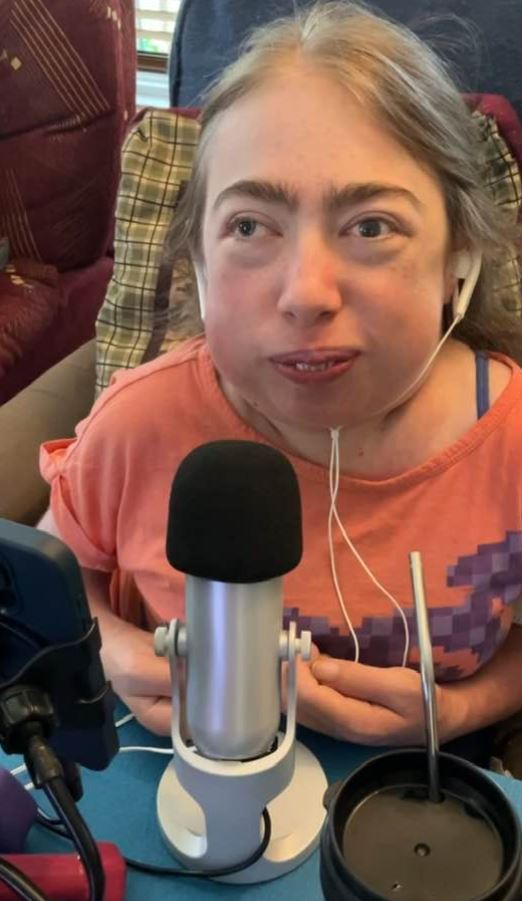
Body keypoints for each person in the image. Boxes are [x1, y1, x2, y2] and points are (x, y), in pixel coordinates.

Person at [39, 2, 522, 755]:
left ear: (458, 260)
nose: (306, 293)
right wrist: (105, 650)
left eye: (371, 226)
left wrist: (461, 709)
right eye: (250, 227)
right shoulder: (138, 424)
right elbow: (57, 575)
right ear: (198, 265)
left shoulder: (512, 443)